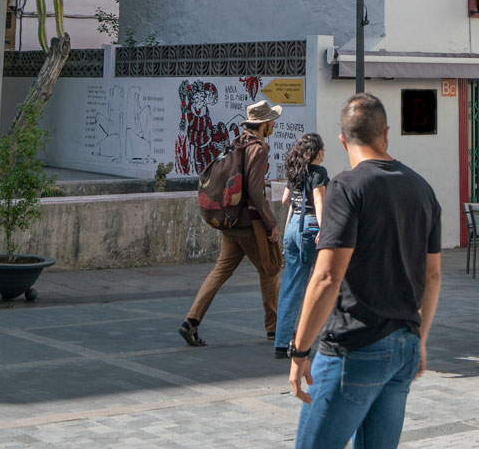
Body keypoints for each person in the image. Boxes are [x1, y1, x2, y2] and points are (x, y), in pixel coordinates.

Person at [290, 93, 442, 449]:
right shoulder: (422, 189)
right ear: (386, 133)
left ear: (343, 140)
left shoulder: (347, 186)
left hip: (355, 346)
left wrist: (299, 352)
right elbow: (433, 276)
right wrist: (419, 339)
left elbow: (328, 277)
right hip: (403, 345)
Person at [180, 98, 284, 347]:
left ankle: (191, 321)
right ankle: (275, 328)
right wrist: (272, 224)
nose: (273, 126)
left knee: (220, 271)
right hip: (249, 223)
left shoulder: (238, 142)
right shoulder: (258, 148)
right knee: (269, 270)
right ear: (264, 125)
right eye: (271, 122)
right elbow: (256, 192)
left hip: (230, 220)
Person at [274, 133, 329, 359]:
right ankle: (312, 337)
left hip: (293, 227)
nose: (323, 153)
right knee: (323, 282)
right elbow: (319, 202)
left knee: (290, 285)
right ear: (315, 152)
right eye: (321, 149)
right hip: (310, 228)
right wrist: (325, 230)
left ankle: (281, 342)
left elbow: (286, 200)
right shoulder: (319, 173)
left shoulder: (295, 171)